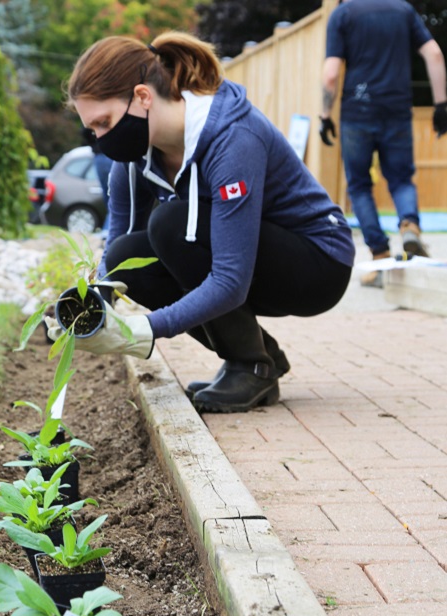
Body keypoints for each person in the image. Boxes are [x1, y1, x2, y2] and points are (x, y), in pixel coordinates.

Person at [49, 31, 355, 414]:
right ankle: (261, 359)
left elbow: (230, 279)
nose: (99, 139)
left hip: (319, 261)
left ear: (143, 97)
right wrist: (87, 307)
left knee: (171, 226)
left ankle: (249, 364)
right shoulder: (133, 157)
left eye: (104, 122)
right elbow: (117, 253)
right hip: (254, 259)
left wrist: (142, 330)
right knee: (132, 256)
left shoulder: (232, 138)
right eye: (92, 129)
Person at [320, 0, 447, 287]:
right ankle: (410, 226)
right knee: (401, 179)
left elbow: (331, 74)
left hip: (357, 112)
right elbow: (435, 54)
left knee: (360, 185)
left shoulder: (343, 14)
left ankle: (379, 258)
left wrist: (325, 116)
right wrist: (441, 105)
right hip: (397, 111)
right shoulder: (402, 10)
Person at [82, 126, 114, 236]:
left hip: (99, 156)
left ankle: (108, 232)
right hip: (108, 153)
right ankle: (109, 232)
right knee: (115, 198)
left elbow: (85, 132)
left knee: (110, 198)